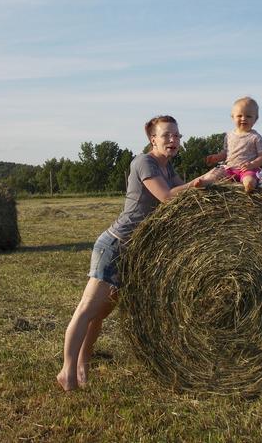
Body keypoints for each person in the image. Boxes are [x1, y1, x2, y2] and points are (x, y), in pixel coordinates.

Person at [57, 115, 203, 391]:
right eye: (167, 135)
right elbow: (169, 197)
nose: (174, 140)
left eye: (177, 136)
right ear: (153, 139)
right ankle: (66, 370)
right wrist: (202, 180)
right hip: (115, 245)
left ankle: (82, 365)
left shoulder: (167, 169)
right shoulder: (144, 162)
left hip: (135, 253)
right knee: (87, 308)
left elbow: (189, 194)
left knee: (100, 315)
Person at [202, 96, 262, 192]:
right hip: (229, 169)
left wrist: (252, 164)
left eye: (248, 116)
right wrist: (217, 157)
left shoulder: (256, 137)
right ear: (233, 117)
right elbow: (226, 153)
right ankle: (205, 182)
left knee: (249, 178)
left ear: (255, 119)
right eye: (239, 116)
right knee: (215, 174)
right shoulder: (228, 136)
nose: (244, 119)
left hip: (247, 170)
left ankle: (249, 186)